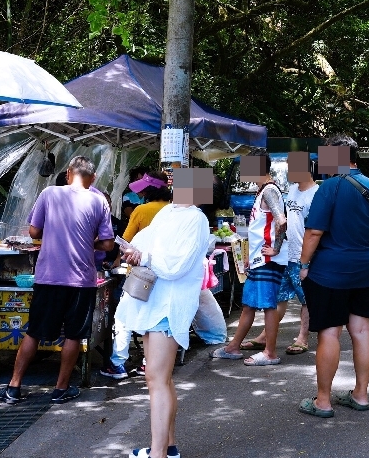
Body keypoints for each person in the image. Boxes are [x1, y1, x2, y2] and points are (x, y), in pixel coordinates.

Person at [1, 156, 114, 404]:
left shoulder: (49, 194)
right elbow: (107, 243)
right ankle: (60, 389)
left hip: (48, 277)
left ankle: (14, 387)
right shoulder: (99, 201)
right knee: (73, 335)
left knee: (34, 332)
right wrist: (88, 241)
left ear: (68, 174)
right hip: (81, 280)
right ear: (92, 178)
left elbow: (33, 232)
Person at [117, 170, 212, 458]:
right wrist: (133, 251)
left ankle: (158, 453)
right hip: (155, 301)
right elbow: (149, 243)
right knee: (161, 379)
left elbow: (177, 265)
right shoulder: (169, 212)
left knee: (157, 380)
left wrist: (142, 256)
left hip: (169, 306)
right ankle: (167, 448)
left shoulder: (196, 218)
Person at [298, 135, 369, 418]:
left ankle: (323, 401)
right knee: (361, 330)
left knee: (330, 332)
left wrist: (303, 263)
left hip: (331, 271)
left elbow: (313, 232)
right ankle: (360, 395)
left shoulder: (331, 187)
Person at [211, 155, 287, 366]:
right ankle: (233, 347)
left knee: (268, 306)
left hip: (267, 260)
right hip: (259, 259)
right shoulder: (265, 190)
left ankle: (270, 352)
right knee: (249, 305)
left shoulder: (269, 190)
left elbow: (281, 220)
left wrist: (276, 249)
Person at [245, 152, 318, 355]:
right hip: (286, 254)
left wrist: (307, 260)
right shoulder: (292, 190)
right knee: (279, 297)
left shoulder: (317, 194)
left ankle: (302, 337)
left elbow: (317, 230)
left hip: (304, 257)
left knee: (306, 299)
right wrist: (277, 247)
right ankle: (265, 336)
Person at [123, 173, 172, 242]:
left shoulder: (141, 210)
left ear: (149, 191)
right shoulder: (175, 209)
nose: (142, 192)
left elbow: (126, 240)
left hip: (142, 252)